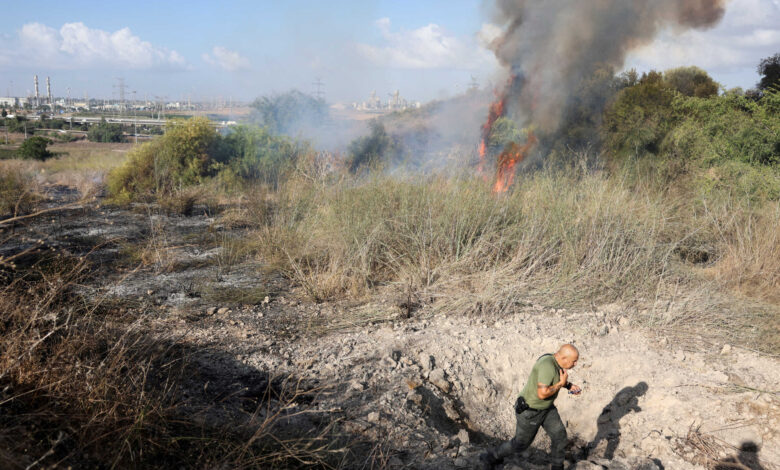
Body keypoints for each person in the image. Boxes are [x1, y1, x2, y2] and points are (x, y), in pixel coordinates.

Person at [479, 344, 582, 470]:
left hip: (547, 409)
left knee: (559, 436)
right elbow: (542, 393)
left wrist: (568, 385)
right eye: (574, 361)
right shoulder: (547, 366)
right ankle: (490, 457)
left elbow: (554, 379)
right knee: (520, 444)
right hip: (531, 411)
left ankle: (557, 467)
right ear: (564, 358)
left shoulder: (557, 362)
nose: (576, 364)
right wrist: (561, 384)